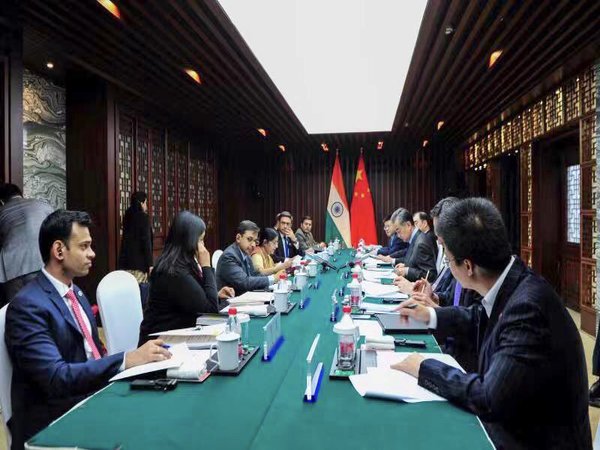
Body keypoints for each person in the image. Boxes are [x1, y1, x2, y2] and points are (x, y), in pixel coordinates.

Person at [393, 198, 591, 449]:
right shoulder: (513, 279)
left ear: (468, 266)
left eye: (449, 261)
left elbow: (489, 398)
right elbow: (479, 317)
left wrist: (425, 368)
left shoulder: (528, 308)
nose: (449, 267)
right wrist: (430, 315)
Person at [5, 210, 171, 450]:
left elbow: (94, 350)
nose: (92, 253)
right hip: (55, 423)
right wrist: (126, 360)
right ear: (59, 250)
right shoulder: (28, 306)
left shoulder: (76, 294)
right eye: (84, 246)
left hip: (92, 399)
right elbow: (55, 378)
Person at [138, 211, 235, 344]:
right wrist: (207, 266)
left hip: (178, 336)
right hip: (160, 343)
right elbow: (211, 312)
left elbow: (193, 301)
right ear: (189, 240)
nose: (203, 246)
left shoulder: (182, 263)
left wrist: (216, 295)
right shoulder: (173, 271)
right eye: (200, 240)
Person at [0, 183, 53, 306]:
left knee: (16, 308)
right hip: (39, 261)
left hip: (11, 268)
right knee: (43, 305)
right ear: (21, 194)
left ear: (2, 200)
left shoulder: (2, 211)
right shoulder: (42, 205)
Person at [216, 220, 275, 295]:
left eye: (255, 241)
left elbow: (254, 275)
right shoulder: (229, 256)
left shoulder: (246, 254)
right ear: (238, 238)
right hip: (231, 300)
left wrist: (273, 278)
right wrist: (273, 278)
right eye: (249, 239)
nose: (253, 245)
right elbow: (245, 282)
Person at [387, 208, 437, 282]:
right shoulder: (415, 238)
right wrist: (405, 265)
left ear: (408, 225)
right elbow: (416, 262)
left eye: (398, 231)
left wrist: (407, 271)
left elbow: (430, 275)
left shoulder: (421, 243)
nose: (398, 236)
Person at [118, 191, 153, 283]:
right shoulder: (143, 218)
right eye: (146, 203)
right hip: (139, 264)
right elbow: (146, 242)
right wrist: (150, 263)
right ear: (141, 203)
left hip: (125, 262)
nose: (146, 206)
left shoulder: (127, 216)